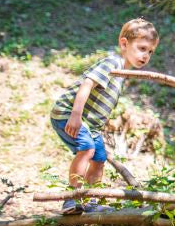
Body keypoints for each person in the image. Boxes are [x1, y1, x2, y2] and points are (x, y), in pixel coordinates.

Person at [50, 18, 159, 214]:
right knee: (87, 150)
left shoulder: (122, 73)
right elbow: (86, 85)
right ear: (124, 44)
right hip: (68, 113)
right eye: (142, 48)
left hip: (90, 126)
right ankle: (72, 198)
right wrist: (75, 115)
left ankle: (90, 201)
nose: (146, 55)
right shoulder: (112, 63)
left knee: (99, 158)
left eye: (150, 51)